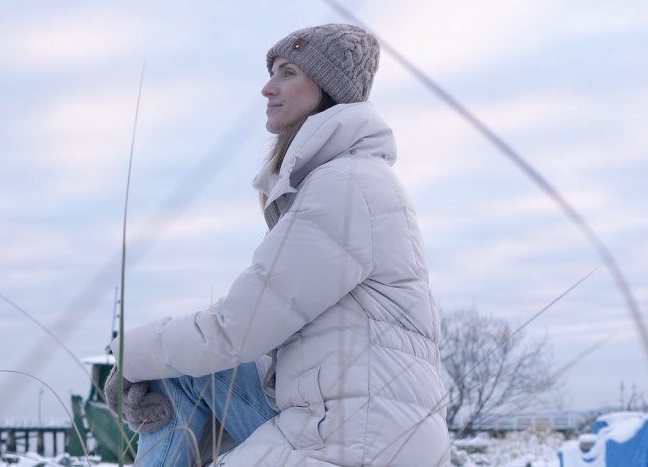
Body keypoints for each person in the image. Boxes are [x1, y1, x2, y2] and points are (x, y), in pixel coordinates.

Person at [105, 23, 450, 466]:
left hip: (358, 442)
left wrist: (129, 358)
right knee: (184, 373)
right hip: (357, 426)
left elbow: (236, 330)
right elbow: (296, 360)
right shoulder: (350, 181)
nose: (268, 88)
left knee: (177, 364)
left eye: (288, 72)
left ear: (327, 89)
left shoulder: (345, 186)